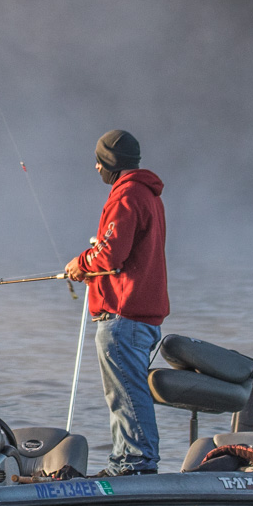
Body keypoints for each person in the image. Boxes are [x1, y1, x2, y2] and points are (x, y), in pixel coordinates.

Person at [64, 129, 168, 477]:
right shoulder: (149, 194)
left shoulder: (127, 195)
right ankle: (124, 461)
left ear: (110, 163)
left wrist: (82, 263)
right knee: (123, 393)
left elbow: (111, 254)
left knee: (124, 393)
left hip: (123, 314)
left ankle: (135, 463)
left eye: (99, 162)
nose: (96, 167)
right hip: (141, 315)